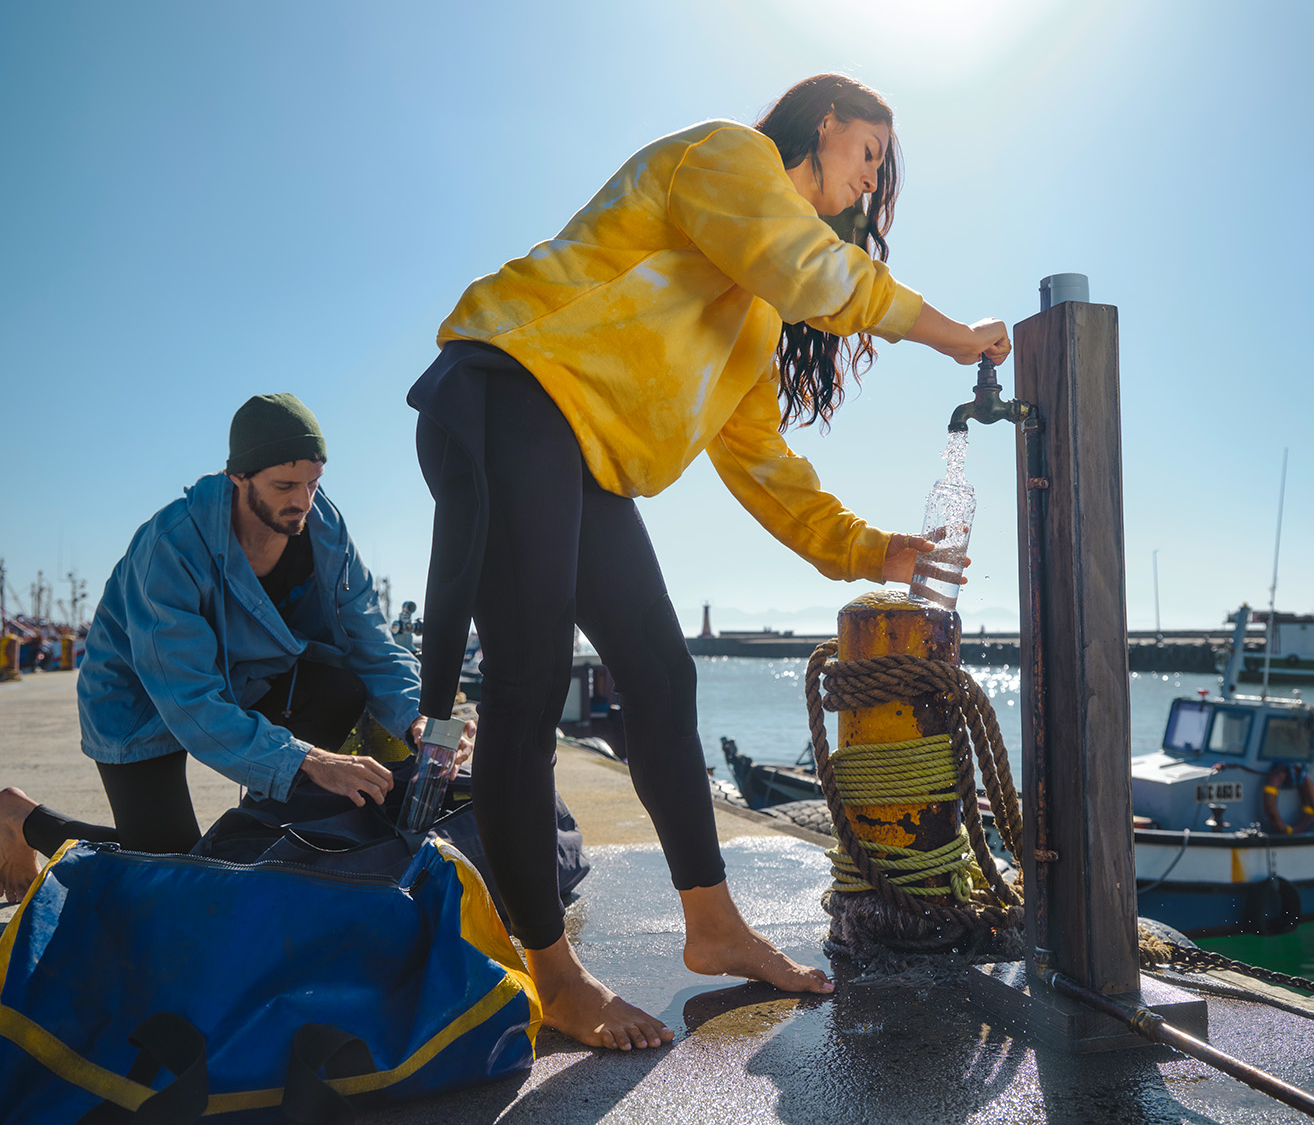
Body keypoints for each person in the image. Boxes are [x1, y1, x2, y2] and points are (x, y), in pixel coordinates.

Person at [408, 72, 1011, 1052]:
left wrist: (874, 547)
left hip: (584, 454)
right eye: (869, 155)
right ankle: (552, 975)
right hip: (509, 385)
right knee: (524, 689)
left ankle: (710, 922)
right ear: (825, 124)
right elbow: (813, 268)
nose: (870, 186)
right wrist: (950, 336)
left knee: (659, 671)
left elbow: (766, 469)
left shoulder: (754, 317)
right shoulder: (726, 158)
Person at [0, 393, 469, 901]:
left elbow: (372, 643)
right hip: (144, 701)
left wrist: (422, 719)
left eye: (313, 482)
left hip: (249, 680)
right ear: (238, 477)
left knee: (340, 688)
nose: (303, 501)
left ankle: (268, 828)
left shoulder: (325, 532)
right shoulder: (170, 548)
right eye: (284, 485)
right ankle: (26, 820)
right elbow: (191, 704)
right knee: (174, 879)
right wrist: (304, 758)